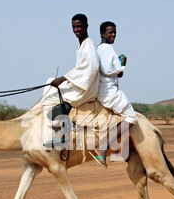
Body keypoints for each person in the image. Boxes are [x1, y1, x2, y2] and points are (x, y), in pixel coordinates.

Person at [41, 14, 99, 149]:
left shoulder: (88, 45)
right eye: (73, 27)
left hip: (85, 89)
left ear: (86, 26)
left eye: (79, 26)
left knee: (48, 98)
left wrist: (64, 78)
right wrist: (66, 78)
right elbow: (82, 69)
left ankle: (59, 135)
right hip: (82, 83)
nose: (76, 30)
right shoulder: (83, 45)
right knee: (49, 82)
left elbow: (91, 68)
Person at [89, 21, 138, 168]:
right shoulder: (107, 49)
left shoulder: (98, 49)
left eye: (115, 32)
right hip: (109, 92)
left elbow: (115, 73)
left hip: (105, 89)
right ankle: (103, 146)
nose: (113, 35)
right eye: (110, 32)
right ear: (102, 33)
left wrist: (120, 66)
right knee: (131, 117)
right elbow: (116, 71)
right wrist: (122, 63)